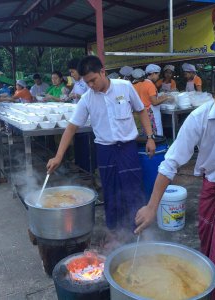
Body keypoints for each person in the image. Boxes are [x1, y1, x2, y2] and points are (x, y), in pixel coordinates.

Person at [135, 58, 215, 300]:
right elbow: (170, 162)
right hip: (211, 193)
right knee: (209, 255)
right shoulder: (200, 117)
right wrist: (152, 207)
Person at [47, 55, 155, 234]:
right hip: (105, 150)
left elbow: (141, 111)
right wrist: (58, 156)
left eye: (93, 80)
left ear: (102, 72)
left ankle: (138, 231)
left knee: (133, 188)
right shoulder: (87, 98)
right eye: (86, 82)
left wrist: (150, 137)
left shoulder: (125, 87)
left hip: (128, 148)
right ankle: (115, 233)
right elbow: (71, 127)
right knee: (111, 192)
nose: (90, 85)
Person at [144, 64, 170, 136]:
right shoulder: (150, 85)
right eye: (157, 75)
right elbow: (154, 102)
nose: (158, 77)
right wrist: (167, 97)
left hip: (146, 112)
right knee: (157, 134)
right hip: (153, 113)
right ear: (152, 73)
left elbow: (151, 98)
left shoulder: (143, 83)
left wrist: (161, 97)